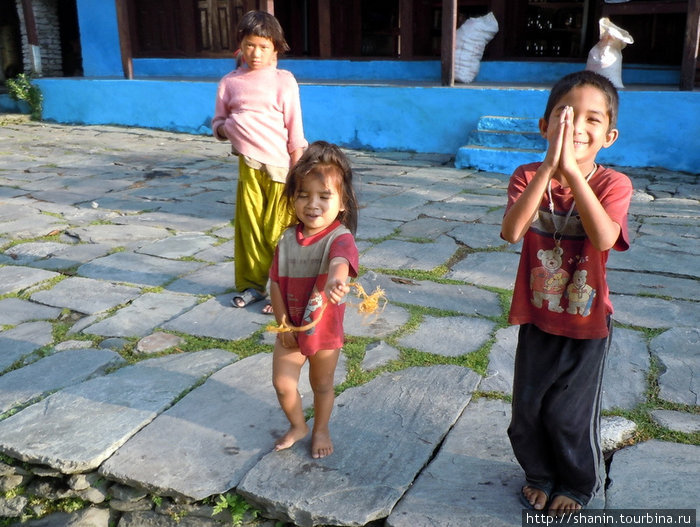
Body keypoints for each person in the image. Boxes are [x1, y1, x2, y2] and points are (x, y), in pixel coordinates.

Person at [500, 70, 633, 515]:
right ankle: (538, 473)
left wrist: (573, 172)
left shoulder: (614, 185)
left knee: (567, 417)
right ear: (544, 126)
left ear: (608, 136)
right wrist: (550, 167)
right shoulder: (525, 176)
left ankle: (577, 484)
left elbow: (602, 237)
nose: (576, 126)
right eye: (564, 114)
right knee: (527, 416)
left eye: (591, 119)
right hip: (537, 319)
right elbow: (511, 230)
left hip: (588, 323)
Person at [212, 10, 307, 313]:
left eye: (264, 47)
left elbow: (295, 130)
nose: (256, 53)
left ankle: (287, 290)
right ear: (240, 45)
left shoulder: (284, 81)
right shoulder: (229, 82)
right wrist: (227, 129)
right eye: (250, 45)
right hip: (249, 168)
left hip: (282, 169)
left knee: (278, 230)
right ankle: (252, 287)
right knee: (250, 228)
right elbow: (218, 121)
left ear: (276, 48)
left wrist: (298, 170)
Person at [268, 141, 359, 459]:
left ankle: (320, 428)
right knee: (282, 384)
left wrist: (337, 279)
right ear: (292, 198)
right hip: (289, 328)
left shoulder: (340, 238)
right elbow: (276, 283)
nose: (312, 204)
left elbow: (340, 262)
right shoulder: (286, 239)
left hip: (324, 335)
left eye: (324, 196)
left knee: (322, 385)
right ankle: (298, 425)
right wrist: (283, 325)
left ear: (343, 202)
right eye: (303, 195)